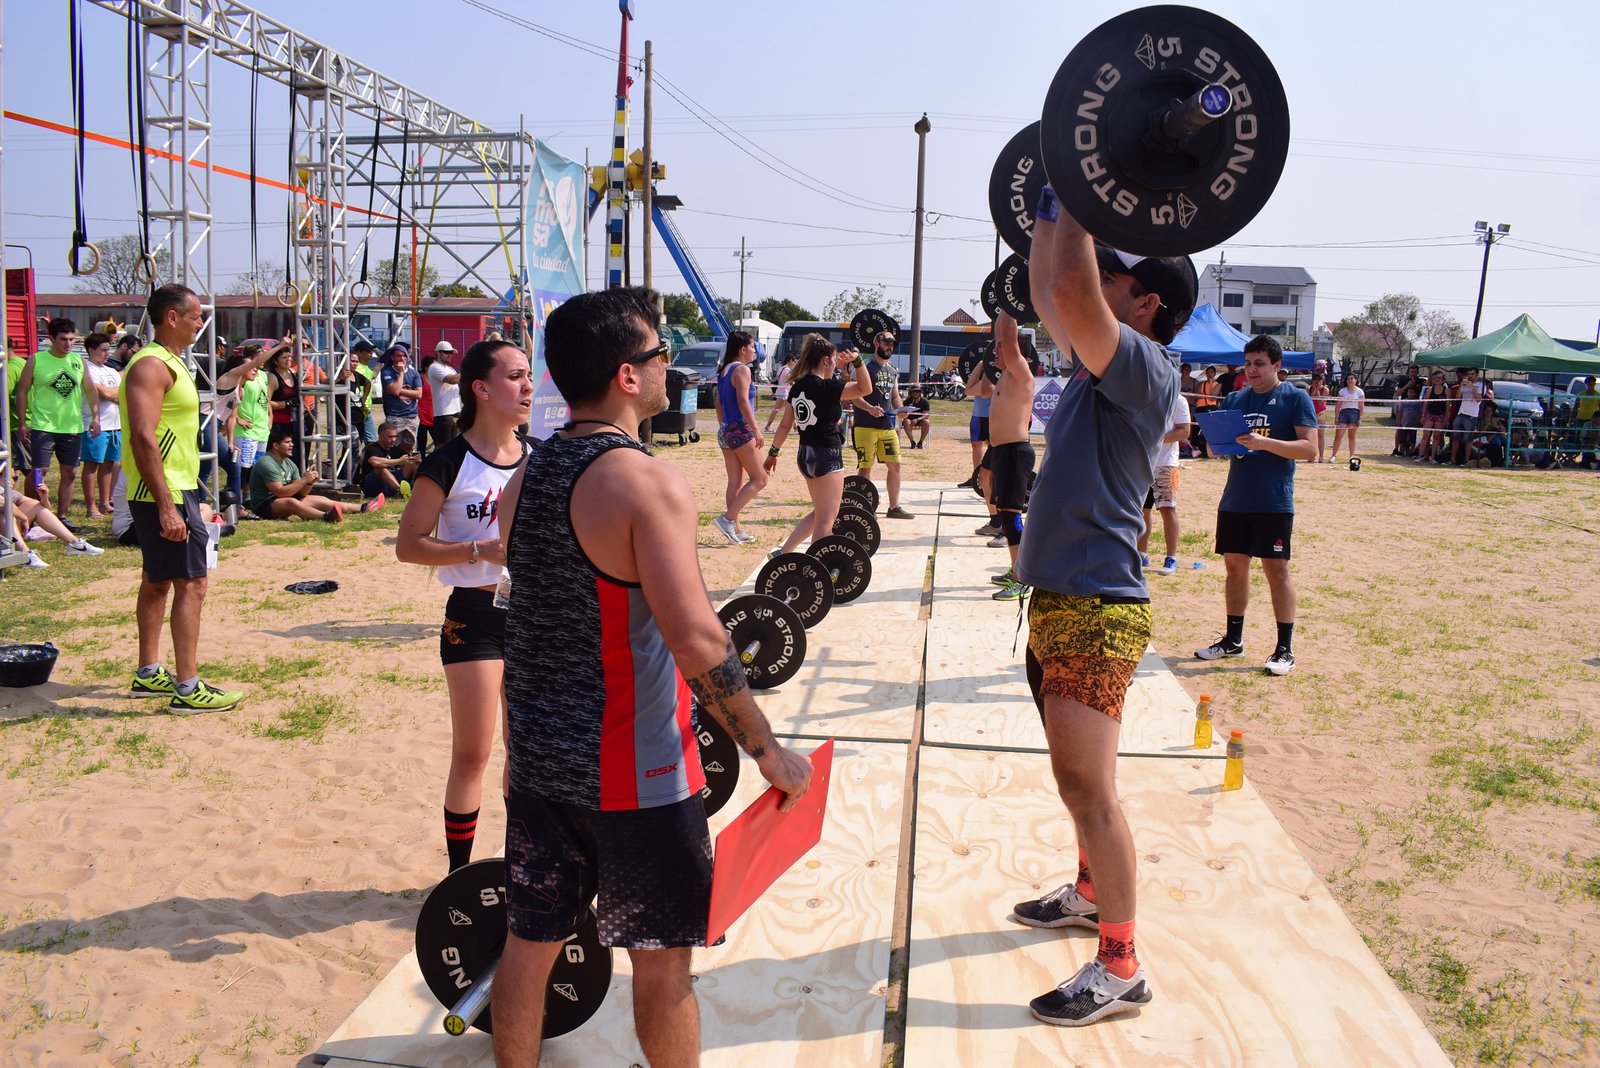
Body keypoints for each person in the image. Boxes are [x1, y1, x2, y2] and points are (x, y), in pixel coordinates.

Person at [490, 286, 812, 1065]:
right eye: (661, 354)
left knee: (529, 945)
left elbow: (532, 616)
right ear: (627, 377)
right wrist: (767, 749)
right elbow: (696, 637)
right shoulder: (644, 481)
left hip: (537, 763)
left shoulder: (524, 479)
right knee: (664, 967)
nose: (672, 366)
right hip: (636, 771)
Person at [1008, 184, 1191, 1027]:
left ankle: (1121, 966)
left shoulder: (1146, 366)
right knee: (1073, 780)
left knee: (1091, 788)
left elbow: (1069, 290)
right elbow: (1052, 290)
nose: (1100, 282)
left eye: (1117, 276)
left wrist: (1082, 193)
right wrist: (1054, 200)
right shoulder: (1096, 366)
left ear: (1147, 303)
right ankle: (1088, 894)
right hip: (1061, 599)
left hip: (1098, 606)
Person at [395, 339, 531, 874]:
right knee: (473, 753)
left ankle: (523, 868)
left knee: (525, 752)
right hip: (475, 617)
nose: (527, 386)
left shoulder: (538, 457)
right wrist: (478, 549)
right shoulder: (449, 461)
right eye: (515, 376)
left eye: (528, 376)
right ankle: (459, 877)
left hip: (533, 617)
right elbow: (409, 545)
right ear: (481, 389)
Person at [119, 284, 241, 712]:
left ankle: (148, 672)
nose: (200, 324)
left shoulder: (171, 362)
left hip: (176, 486)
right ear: (171, 317)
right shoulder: (150, 365)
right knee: (193, 583)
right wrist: (167, 505)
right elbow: (143, 437)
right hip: (163, 490)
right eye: (194, 317)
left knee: (156, 582)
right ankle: (188, 688)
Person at [1195, 334, 1319, 676]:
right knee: (1235, 567)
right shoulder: (1235, 398)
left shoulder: (1294, 397)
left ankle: (1284, 649)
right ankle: (1233, 640)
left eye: (1259, 363)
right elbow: (1215, 450)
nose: (1251, 370)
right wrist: (1216, 444)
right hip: (1235, 499)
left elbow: (1310, 449)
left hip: (1273, 501)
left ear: (1277, 365)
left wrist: (1264, 443)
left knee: (1276, 571)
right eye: (1248, 363)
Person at [763, 333, 877, 555]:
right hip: (827, 455)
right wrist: (857, 360)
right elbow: (866, 389)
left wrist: (773, 453)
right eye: (833, 359)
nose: (835, 363)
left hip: (805, 455)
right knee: (826, 519)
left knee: (820, 512)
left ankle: (784, 553)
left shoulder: (798, 387)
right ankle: (817, 565)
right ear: (825, 360)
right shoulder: (828, 387)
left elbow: (785, 425)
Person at [986, 314, 1037, 601]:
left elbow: (1007, 335)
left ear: (1014, 350)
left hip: (1016, 453)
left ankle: (1022, 578)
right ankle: (1016, 568)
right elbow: (1002, 334)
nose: (995, 350)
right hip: (1003, 453)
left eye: (1000, 347)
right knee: (1006, 516)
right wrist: (1001, 313)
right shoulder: (1005, 374)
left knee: (1011, 516)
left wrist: (1009, 308)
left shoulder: (1021, 372)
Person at [17, 317, 87, 517]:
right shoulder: (36, 360)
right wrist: (22, 423)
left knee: (70, 472)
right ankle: (30, 512)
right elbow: (22, 392)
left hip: (72, 427)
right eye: (64, 339)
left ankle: (62, 516)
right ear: (51, 338)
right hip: (43, 426)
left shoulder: (78, 360)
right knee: (39, 472)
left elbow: (90, 389)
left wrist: (96, 417)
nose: (69, 344)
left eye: (72, 339)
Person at [709, 330, 767, 544]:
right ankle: (728, 519)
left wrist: (724, 426)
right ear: (742, 349)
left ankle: (735, 528)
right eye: (752, 347)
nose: (754, 351)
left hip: (726, 429)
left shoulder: (724, 370)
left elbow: (718, 403)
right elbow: (743, 401)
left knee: (735, 482)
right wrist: (756, 430)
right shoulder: (742, 369)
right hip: (740, 429)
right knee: (760, 479)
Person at [850, 329, 915, 519]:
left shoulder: (893, 370)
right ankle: (864, 506)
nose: (890, 347)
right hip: (865, 425)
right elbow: (853, 395)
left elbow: (894, 396)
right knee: (865, 467)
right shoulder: (863, 366)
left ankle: (894, 507)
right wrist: (869, 408)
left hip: (887, 426)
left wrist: (901, 409)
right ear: (876, 343)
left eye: (892, 344)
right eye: (886, 342)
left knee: (895, 465)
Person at [248, 425, 367, 521]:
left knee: (321, 499)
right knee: (291, 502)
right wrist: (303, 480)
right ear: (275, 446)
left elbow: (301, 493)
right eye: (287, 442)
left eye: (291, 442)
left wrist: (309, 482)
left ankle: (363, 507)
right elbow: (280, 492)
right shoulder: (266, 463)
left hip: (283, 499)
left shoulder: (289, 463)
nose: (292, 445)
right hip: (264, 505)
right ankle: (326, 517)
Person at [1137, 383, 1191, 576]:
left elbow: (1184, 431)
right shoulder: (1143, 396)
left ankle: (1171, 557)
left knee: (1167, 509)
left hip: (1166, 463)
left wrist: (1154, 439)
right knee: (1142, 509)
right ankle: (1141, 553)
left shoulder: (1178, 399)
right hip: (1143, 461)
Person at [5, 477, 103, 568]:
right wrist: (23, 518)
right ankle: (24, 554)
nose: (13, 481)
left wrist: (44, 498)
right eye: (7, 477)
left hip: (9, 535)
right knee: (5, 515)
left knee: (33, 504)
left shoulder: (8, 492)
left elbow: (44, 510)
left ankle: (75, 544)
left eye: (15, 478)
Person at [79, 332, 123, 520]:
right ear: (91, 350)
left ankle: (105, 503)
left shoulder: (111, 371)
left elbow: (122, 393)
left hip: (115, 425)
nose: (107, 354)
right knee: (92, 465)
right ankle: (91, 507)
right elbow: (103, 393)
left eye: (108, 349)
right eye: (103, 350)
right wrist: (113, 393)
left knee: (109, 464)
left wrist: (112, 393)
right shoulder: (87, 369)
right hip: (96, 424)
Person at [359, 423, 420, 499]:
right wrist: (399, 461)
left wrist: (418, 461)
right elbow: (375, 462)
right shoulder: (372, 448)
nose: (393, 440)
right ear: (380, 436)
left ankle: (420, 490)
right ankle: (401, 492)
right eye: (390, 437)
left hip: (390, 483)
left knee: (412, 464)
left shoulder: (395, 449)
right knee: (381, 468)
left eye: (395, 436)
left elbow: (407, 459)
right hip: (373, 486)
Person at [380, 347, 424, 441]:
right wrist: (401, 372)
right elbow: (395, 391)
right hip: (394, 417)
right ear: (392, 357)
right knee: (393, 445)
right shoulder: (386, 372)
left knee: (409, 447)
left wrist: (398, 390)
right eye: (399, 356)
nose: (402, 358)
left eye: (404, 356)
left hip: (412, 417)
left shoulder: (414, 373)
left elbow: (419, 394)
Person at [425, 340, 462, 448]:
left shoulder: (450, 369)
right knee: (442, 447)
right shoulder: (435, 367)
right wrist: (469, 370)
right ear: (438, 353)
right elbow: (452, 380)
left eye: (451, 352)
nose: (450, 355)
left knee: (454, 447)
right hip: (443, 414)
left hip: (455, 412)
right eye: (446, 352)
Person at [1450, 367, 1486, 466]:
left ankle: (1466, 460)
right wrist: (1461, 386)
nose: (1470, 376)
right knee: (1455, 437)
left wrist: (1472, 386)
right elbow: (1458, 398)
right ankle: (1452, 459)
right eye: (1469, 374)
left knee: (1468, 439)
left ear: (1477, 375)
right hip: (1461, 413)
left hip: (1471, 415)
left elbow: (1478, 399)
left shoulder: (1481, 385)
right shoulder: (1464, 384)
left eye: (1472, 374)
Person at [1329, 372, 1365, 463]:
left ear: (1356, 380)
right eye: (1348, 379)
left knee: (1352, 436)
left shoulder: (1360, 391)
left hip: (1354, 413)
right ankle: (1333, 455)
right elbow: (1338, 405)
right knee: (1338, 436)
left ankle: (1351, 456)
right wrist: (1336, 417)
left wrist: (1360, 418)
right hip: (1344, 413)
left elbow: (1361, 406)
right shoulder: (1342, 391)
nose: (1350, 380)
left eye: (1352, 378)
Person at [1416, 369, 1451, 463]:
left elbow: (1448, 405)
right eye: (1435, 378)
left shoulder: (1446, 390)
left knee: (1436, 437)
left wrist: (1446, 418)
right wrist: (1423, 415)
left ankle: (1433, 457)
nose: (1437, 379)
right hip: (1430, 414)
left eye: (1439, 377)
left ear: (1443, 379)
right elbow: (1426, 403)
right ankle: (1420, 455)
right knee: (1426, 435)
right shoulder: (1430, 390)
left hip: (1440, 415)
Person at [349, 339, 379, 443]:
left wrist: (381, 361)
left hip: (366, 410)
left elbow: (373, 375)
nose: (371, 353)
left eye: (372, 351)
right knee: (356, 442)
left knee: (368, 441)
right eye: (368, 351)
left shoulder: (366, 368)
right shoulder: (357, 369)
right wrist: (363, 401)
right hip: (358, 409)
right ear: (359, 353)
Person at [1192, 364, 1221, 459]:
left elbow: (1213, 396)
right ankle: (1197, 449)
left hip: (1211, 407)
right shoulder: (1201, 384)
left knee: (1210, 429)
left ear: (1214, 374)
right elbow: (1196, 395)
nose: (1210, 374)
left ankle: (1209, 451)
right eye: (1208, 372)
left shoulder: (1218, 384)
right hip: (1200, 407)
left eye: (1212, 372)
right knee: (1197, 429)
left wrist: (1211, 383)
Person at [762, 351, 795, 432]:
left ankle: (795, 427)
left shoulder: (781, 368)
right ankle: (767, 426)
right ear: (790, 360)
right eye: (793, 361)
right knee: (776, 410)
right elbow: (790, 381)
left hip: (782, 391)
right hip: (784, 392)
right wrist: (797, 385)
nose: (794, 363)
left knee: (791, 409)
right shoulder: (787, 370)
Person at [900, 384, 931, 449]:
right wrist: (907, 418)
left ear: (920, 393)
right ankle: (912, 442)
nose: (915, 393)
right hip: (909, 420)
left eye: (917, 392)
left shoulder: (925, 402)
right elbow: (903, 413)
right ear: (911, 393)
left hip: (920, 420)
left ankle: (920, 442)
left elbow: (926, 415)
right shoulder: (907, 401)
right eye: (913, 392)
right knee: (906, 422)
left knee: (926, 422)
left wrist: (917, 420)